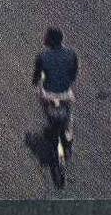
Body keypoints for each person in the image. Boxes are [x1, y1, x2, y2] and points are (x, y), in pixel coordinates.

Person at [32, 26, 79, 154]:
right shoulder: (72, 54)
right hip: (65, 94)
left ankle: (51, 125)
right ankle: (68, 133)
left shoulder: (42, 57)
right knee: (69, 112)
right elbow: (73, 75)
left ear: (50, 40)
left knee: (41, 97)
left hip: (49, 95)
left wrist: (36, 82)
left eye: (46, 36)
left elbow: (36, 78)